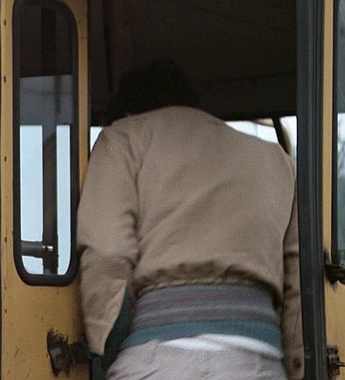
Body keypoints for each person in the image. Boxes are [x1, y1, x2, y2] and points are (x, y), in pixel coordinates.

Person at [77, 61, 303, 379]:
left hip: (158, 361)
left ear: (128, 113)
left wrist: (106, 347)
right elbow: (300, 282)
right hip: (258, 361)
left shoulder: (123, 138)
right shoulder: (278, 160)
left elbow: (107, 251)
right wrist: (296, 366)